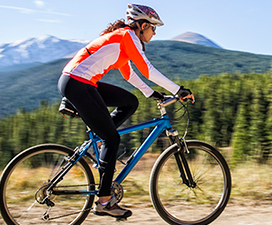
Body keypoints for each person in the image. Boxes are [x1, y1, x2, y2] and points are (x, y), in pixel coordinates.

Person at [57, 3, 194, 219]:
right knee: (112, 139)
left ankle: (104, 139)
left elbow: (129, 74)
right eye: (153, 27)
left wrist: (152, 94)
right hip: (77, 83)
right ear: (141, 25)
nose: (155, 32)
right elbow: (147, 70)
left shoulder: (123, 39)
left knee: (130, 102)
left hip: (81, 83)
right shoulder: (127, 36)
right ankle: (103, 201)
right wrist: (179, 90)